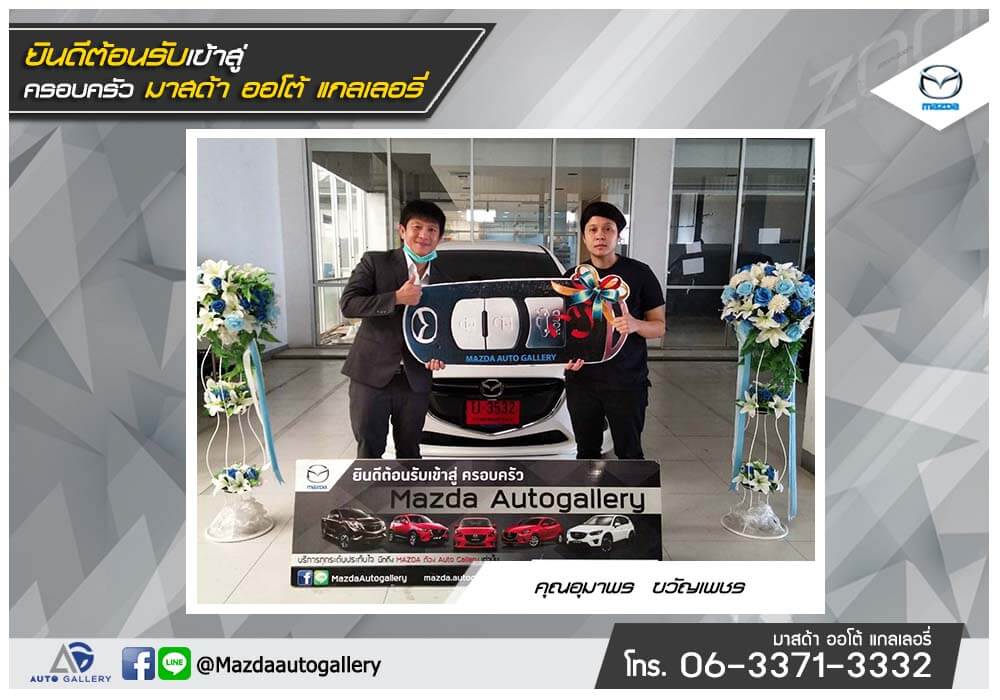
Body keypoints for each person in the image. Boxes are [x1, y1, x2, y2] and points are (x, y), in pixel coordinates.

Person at [340, 200, 448, 459]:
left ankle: (409, 487)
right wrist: (396, 298)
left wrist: (440, 353)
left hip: (415, 378)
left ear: (440, 237)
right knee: (369, 450)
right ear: (402, 231)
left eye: (432, 230)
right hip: (370, 375)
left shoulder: (445, 276)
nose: (424, 235)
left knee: (410, 451)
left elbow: (447, 325)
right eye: (417, 227)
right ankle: (372, 488)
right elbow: (349, 304)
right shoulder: (376, 262)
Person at [565, 201, 666, 459]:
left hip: (626, 382)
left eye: (608, 229)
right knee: (586, 452)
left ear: (618, 235)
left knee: (629, 454)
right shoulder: (572, 278)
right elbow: (561, 330)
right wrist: (564, 358)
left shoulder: (640, 274)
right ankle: (589, 488)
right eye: (593, 229)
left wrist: (636, 324)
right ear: (584, 237)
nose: (600, 235)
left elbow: (659, 327)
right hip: (582, 382)